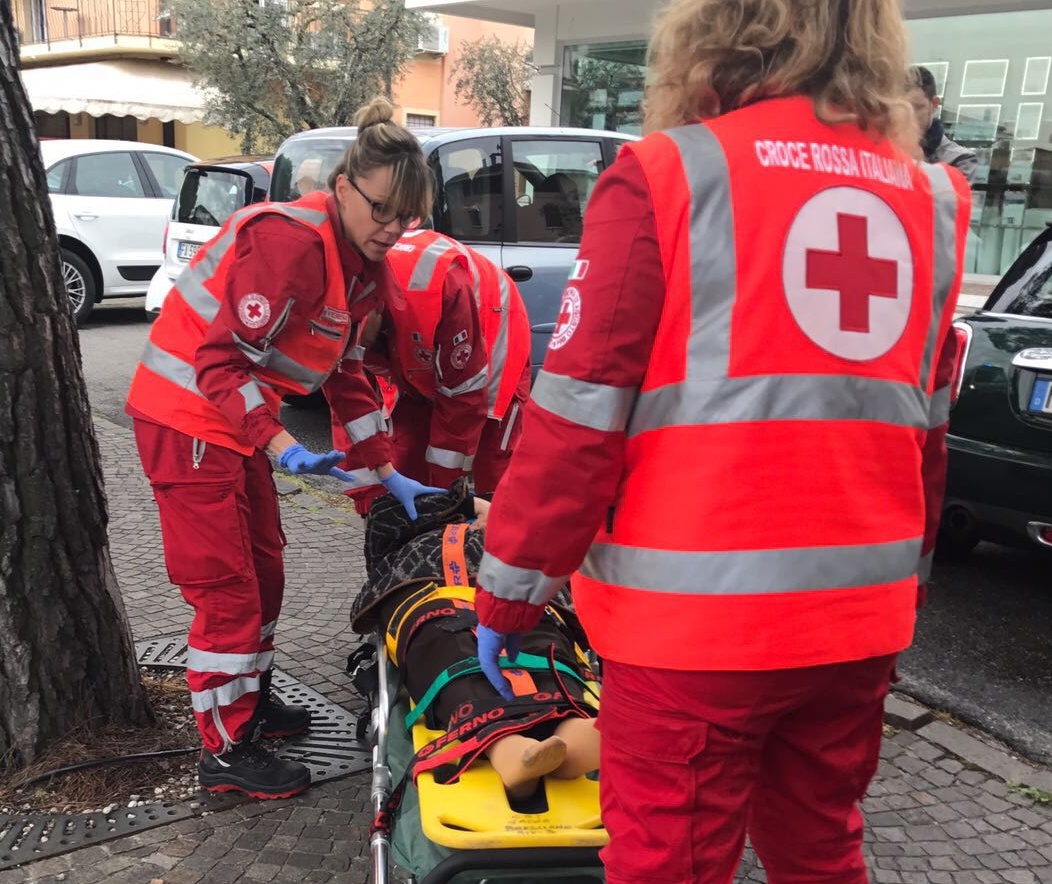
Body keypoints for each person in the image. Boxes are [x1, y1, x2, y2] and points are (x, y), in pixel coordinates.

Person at [472, 1, 972, 881]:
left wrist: (511, 592)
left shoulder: (670, 174)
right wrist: (905, 584)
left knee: (670, 862)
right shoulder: (933, 197)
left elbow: (580, 417)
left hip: (694, 633)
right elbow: (925, 430)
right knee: (820, 848)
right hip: (858, 624)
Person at [125, 97, 442, 800]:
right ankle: (225, 750)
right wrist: (276, 442)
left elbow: (348, 376)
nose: (393, 229)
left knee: (265, 572)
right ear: (343, 188)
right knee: (227, 589)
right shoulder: (289, 243)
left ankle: (251, 704)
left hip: (231, 427)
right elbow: (216, 363)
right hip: (188, 421)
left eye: (407, 218)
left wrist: (387, 473)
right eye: (382, 211)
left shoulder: (363, 268)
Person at [350, 480, 599, 800]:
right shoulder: (400, 501)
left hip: (508, 577)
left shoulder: (508, 497)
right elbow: (386, 519)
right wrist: (472, 506)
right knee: (448, 643)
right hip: (426, 583)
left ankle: (572, 733)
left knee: (538, 635)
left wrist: (497, 514)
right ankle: (508, 749)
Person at [333, 229, 531, 513]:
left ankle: (497, 545)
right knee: (408, 451)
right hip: (420, 336)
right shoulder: (341, 305)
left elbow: (463, 403)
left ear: (373, 302)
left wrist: (444, 500)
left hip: (494, 328)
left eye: (357, 333)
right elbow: (350, 411)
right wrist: (370, 505)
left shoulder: (438, 288)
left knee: (492, 463)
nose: (354, 344)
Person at [908, 65, 980, 182]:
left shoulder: (960, 159)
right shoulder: (882, 149)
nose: (908, 116)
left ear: (934, 104)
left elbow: (945, 198)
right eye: (900, 108)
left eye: (917, 107)